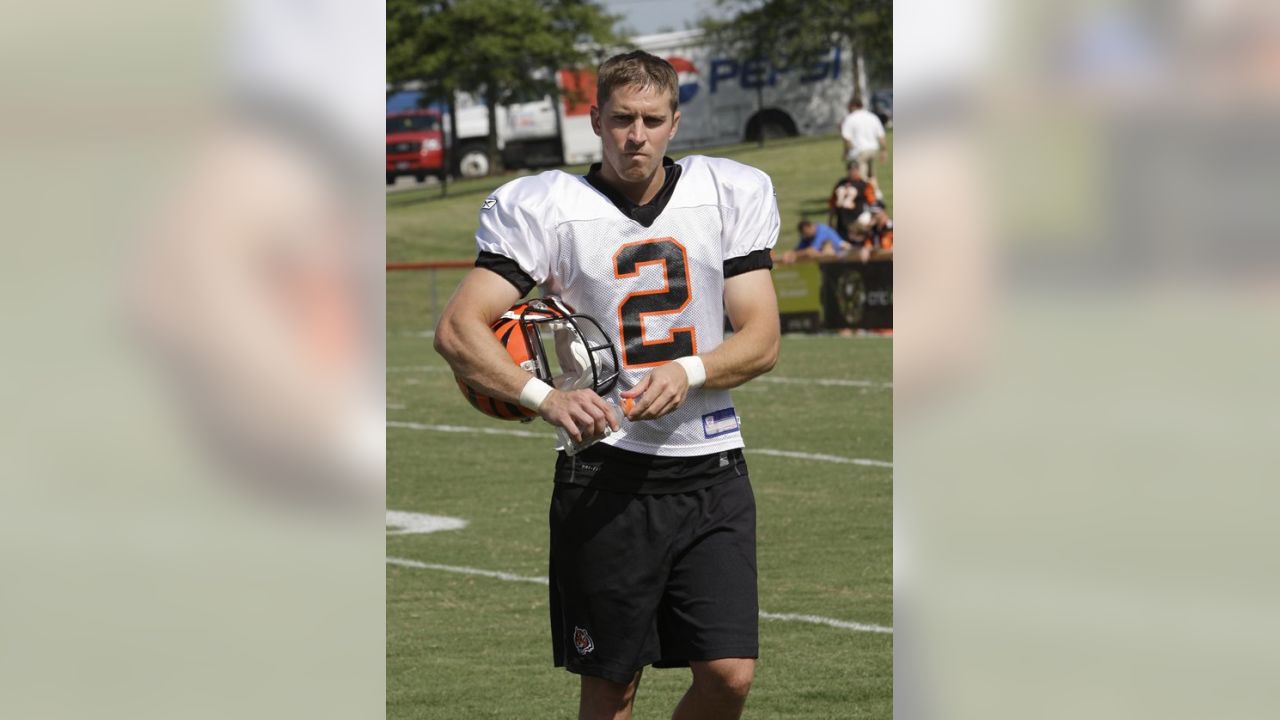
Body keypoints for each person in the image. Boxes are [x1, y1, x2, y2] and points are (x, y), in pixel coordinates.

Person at [434, 50, 781, 720]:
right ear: (594, 118)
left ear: (675, 122)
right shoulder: (550, 207)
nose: (636, 135)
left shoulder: (727, 193)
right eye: (622, 118)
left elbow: (761, 338)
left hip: (713, 471)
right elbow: (458, 330)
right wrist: (548, 398)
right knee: (612, 689)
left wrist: (689, 370)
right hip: (608, 477)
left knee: (730, 675)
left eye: (652, 119)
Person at [827, 161, 879, 241]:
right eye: (850, 170)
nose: (852, 172)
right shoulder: (840, 183)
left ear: (858, 170)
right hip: (841, 222)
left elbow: (873, 204)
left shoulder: (864, 184)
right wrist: (830, 220)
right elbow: (833, 203)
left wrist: (871, 222)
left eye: (854, 170)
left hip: (856, 223)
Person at [839, 97, 888, 177]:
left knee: (861, 177)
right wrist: (884, 151)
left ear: (853, 106)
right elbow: (881, 136)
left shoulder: (850, 118)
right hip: (873, 149)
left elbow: (847, 138)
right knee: (872, 175)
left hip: (859, 151)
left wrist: (846, 152)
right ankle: (875, 189)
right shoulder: (872, 117)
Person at [780, 219, 847, 263]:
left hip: (841, 256)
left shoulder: (822, 230)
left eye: (806, 233)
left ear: (810, 227)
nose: (805, 236)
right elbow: (799, 249)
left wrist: (794, 254)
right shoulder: (807, 236)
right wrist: (791, 253)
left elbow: (812, 251)